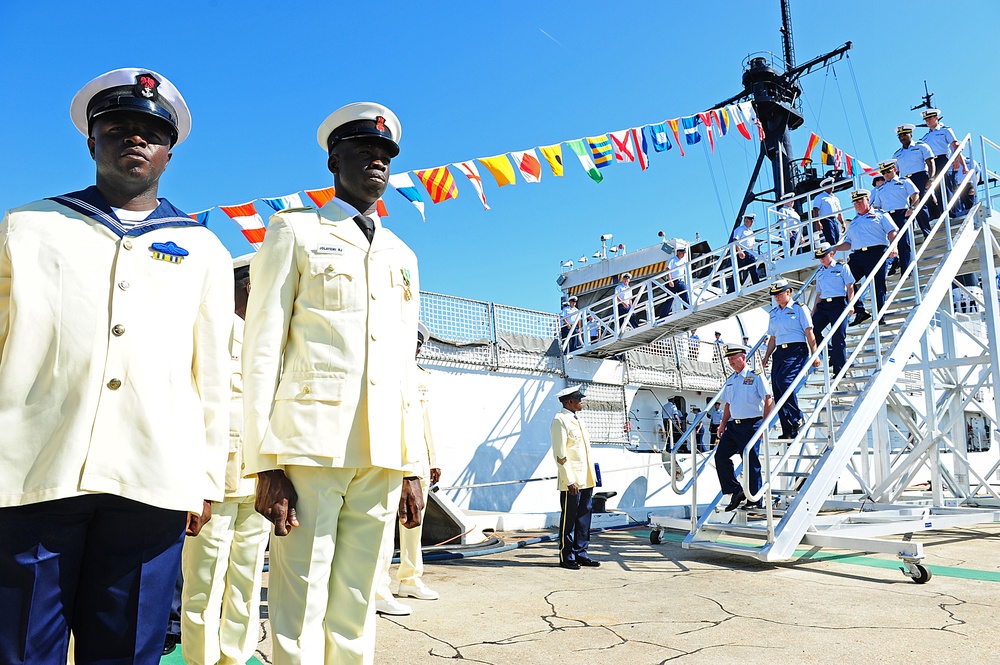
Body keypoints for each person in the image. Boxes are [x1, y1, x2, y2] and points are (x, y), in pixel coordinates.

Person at [0, 68, 232, 664]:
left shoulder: (203, 248)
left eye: (151, 132)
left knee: (127, 649)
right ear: (91, 141)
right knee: (22, 647)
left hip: (151, 478)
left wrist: (206, 479)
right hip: (34, 471)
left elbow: (211, 375)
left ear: (168, 153)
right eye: (118, 127)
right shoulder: (27, 227)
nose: (135, 139)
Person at [242, 102, 423, 664]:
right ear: (333, 161)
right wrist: (263, 462)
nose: (377, 162)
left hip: (383, 453)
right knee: (299, 601)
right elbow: (262, 348)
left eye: (386, 156)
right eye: (364, 152)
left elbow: (405, 366)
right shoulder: (294, 231)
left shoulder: (402, 254)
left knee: (357, 599)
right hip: (310, 446)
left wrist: (414, 463)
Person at [181, 254, 270, 665]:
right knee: (203, 586)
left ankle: (235, 657)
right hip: (213, 485)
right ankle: (201, 660)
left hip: (258, 483)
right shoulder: (209, 337)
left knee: (247, 582)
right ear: (250, 286)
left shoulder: (267, 343)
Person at [375, 323, 441, 617]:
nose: (413, 348)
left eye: (417, 344)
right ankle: (378, 588)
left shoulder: (423, 377)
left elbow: (426, 421)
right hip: (389, 457)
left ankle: (410, 579)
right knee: (382, 526)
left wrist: (433, 459)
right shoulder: (382, 369)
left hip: (418, 459)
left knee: (414, 524)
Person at [715, 345, 774, 510]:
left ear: (743, 357)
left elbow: (768, 399)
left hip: (751, 424)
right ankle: (736, 490)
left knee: (751, 461)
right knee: (721, 457)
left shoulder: (755, 376)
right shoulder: (731, 380)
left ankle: (755, 500)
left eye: (733, 358)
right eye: (729, 359)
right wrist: (723, 424)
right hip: (733, 426)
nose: (731, 362)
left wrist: (764, 424)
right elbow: (728, 404)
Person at [761, 279, 820, 440]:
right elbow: (773, 337)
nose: (777, 297)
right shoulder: (774, 313)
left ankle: (797, 417)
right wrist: (766, 356)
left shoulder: (799, 309)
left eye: (779, 293)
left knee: (785, 382)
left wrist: (814, 353)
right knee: (777, 389)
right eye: (774, 295)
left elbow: (809, 332)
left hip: (796, 350)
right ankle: (788, 429)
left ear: (788, 292)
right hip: (779, 352)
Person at [550, 385, 599, 570]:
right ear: (570, 401)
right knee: (569, 520)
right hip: (573, 481)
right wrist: (569, 480)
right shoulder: (560, 421)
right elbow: (560, 454)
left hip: (586, 478)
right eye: (579, 399)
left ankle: (581, 553)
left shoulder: (579, 421)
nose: (582, 402)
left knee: (584, 518)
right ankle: (567, 556)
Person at [832, 189, 898, 327]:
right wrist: (836, 248)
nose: (857, 204)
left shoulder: (880, 215)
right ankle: (860, 310)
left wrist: (894, 246)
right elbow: (849, 243)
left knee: (877, 284)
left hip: (876, 253)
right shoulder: (854, 222)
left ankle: (880, 315)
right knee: (843, 280)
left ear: (868, 200)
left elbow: (892, 231)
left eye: (860, 201)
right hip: (857, 256)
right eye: (855, 202)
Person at [811, 244, 855, 377]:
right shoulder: (819, 272)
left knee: (838, 337)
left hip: (838, 304)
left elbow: (850, 286)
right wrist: (814, 310)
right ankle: (831, 352)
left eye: (823, 256)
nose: (822, 259)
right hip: (823, 305)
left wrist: (851, 304)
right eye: (819, 257)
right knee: (812, 331)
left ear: (831, 254)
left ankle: (840, 370)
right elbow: (819, 293)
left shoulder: (841, 267)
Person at [871, 159, 922, 273]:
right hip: (887, 216)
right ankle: (894, 265)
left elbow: (915, 195)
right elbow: (878, 207)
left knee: (904, 242)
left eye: (888, 172)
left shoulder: (904, 181)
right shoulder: (880, 188)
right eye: (883, 173)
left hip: (901, 213)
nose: (886, 175)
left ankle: (906, 270)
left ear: (894, 169)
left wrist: (912, 208)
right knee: (888, 244)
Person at [893, 123, 939, 221]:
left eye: (905, 135)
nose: (902, 138)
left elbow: (930, 163)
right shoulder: (897, 154)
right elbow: (895, 173)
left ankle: (927, 230)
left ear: (911, 134)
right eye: (900, 136)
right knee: (911, 206)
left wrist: (931, 178)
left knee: (920, 204)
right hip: (905, 181)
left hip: (920, 177)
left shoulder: (921, 146)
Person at [920, 108, 966, 193]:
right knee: (937, 189)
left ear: (936, 118)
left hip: (942, 160)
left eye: (930, 119)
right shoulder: (925, 137)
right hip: (931, 163)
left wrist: (956, 160)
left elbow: (955, 145)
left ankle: (953, 206)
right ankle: (942, 206)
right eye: (926, 120)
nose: (928, 121)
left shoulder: (945, 130)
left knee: (947, 186)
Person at [729, 213, 763, 290]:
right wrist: (740, 251)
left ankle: (756, 284)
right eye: (749, 221)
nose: (751, 223)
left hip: (750, 253)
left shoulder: (751, 232)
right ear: (746, 221)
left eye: (751, 221)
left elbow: (752, 244)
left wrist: (753, 253)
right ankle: (731, 289)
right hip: (743, 252)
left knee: (753, 269)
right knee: (738, 271)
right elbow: (735, 241)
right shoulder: (740, 229)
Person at [811, 177, 846, 246]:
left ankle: (836, 254)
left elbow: (839, 212)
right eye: (829, 184)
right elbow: (815, 210)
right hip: (826, 220)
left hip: (834, 220)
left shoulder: (835, 198)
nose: (832, 186)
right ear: (824, 186)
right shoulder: (819, 197)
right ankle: (832, 254)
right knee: (831, 239)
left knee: (837, 239)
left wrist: (843, 223)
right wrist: (817, 222)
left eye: (832, 184)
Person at [661, 244, 690, 317]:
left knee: (685, 296)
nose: (683, 254)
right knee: (670, 299)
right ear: (678, 252)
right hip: (673, 281)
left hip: (681, 281)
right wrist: (670, 280)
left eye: (684, 253)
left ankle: (688, 311)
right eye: (682, 252)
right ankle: (663, 315)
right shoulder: (672, 260)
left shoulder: (683, 261)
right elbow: (668, 269)